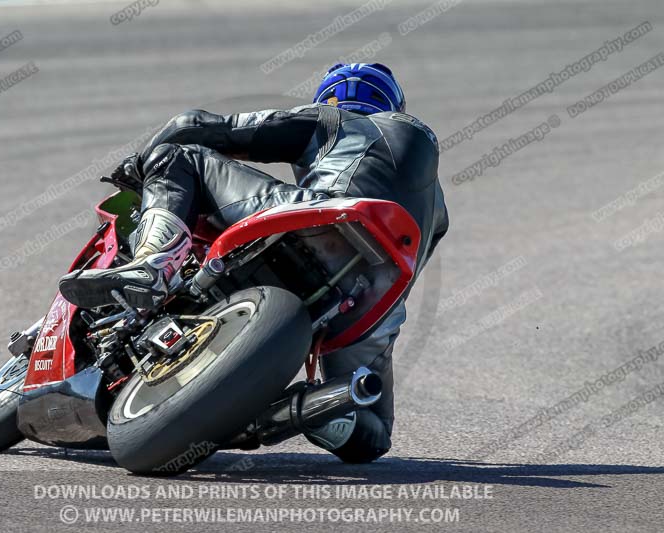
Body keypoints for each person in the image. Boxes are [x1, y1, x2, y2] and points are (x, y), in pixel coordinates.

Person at [59, 63, 449, 463]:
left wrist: (141, 165)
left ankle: (153, 263)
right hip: (373, 304)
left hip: (323, 216)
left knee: (179, 157)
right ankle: (304, 412)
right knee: (372, 433)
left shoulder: (333, 118)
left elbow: (195, 125)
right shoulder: (438, 207)